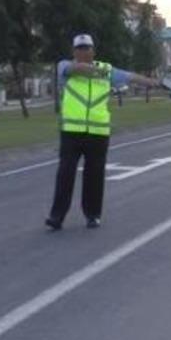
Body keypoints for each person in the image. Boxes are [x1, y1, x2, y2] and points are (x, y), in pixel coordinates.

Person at [45, 34, 159, 231]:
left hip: (98, 132)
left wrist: (152, 82)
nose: (83, 52)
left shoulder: (107, 70)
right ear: (74, 51)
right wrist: (100, 72)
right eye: (80, 49)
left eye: (87, 48)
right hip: (71, 132)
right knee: (65, 174)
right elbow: (78, 69)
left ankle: (93, 215)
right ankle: (57, 217)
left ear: (93, 51)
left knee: (95, 176)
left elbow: (130, 77)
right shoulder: (65, 66)